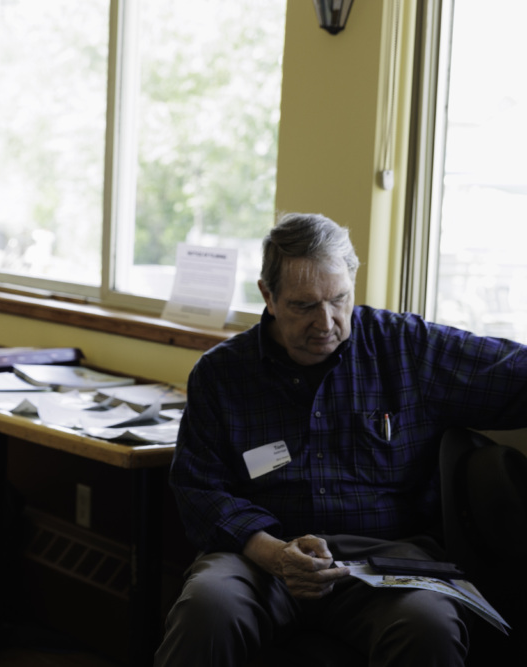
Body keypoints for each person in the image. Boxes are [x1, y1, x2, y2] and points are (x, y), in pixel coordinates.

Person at [155, 212, 527, 666]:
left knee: (429, 625)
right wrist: (274, 554)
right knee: (206, 609)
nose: (326, 322)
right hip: (262, 555)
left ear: (352, 282)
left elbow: (514, 376)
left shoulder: (407, 348)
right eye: (304, 306)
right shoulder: (221, 374)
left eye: (339, 299)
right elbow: (198, 488)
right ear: (268, 296)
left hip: (387, 561)